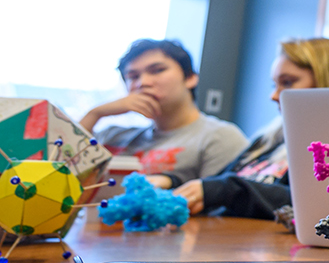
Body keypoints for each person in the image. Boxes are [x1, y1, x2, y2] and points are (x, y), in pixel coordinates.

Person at [173, 37, 329, 218]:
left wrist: (230, 189)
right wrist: (172, 181)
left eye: (287, 82)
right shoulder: (268, 139)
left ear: (325, 83)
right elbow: (211, 186)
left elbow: (310, 204)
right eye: (274, 84)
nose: (273, 95)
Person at [80, 39, 248, 189]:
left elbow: (219, 203)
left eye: (157, 70)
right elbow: (66, 166)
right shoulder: (113, 135)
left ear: (190, 78)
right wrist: (95, 114)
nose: (143, 83)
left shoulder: (219, 138)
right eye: (133, 76)